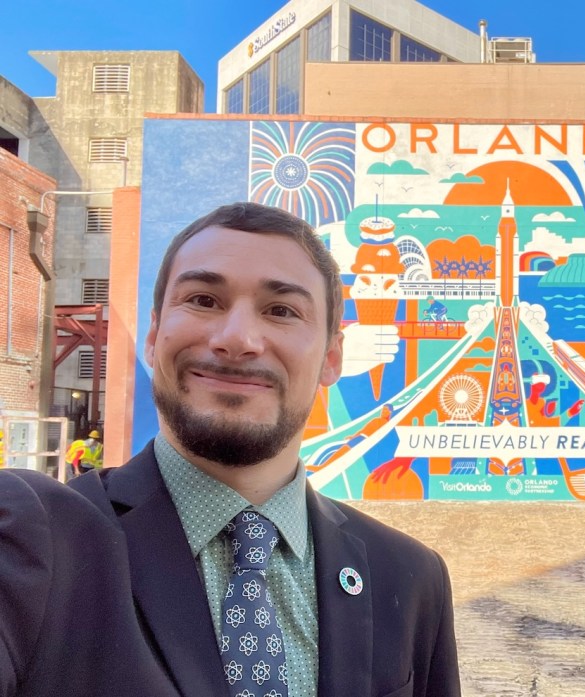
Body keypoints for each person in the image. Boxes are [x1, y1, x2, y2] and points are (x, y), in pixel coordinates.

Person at [1, 202, 460, 697]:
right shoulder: (33, 536)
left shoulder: (410, 578)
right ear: (154, 336)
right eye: (202, 300)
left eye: (281, 310)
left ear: (331, 358)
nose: (237, 338)